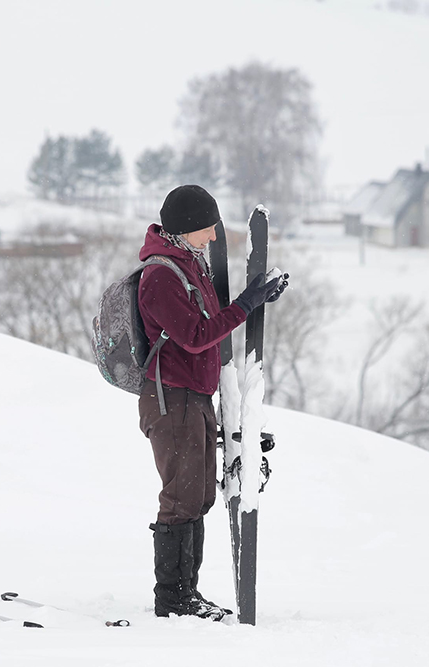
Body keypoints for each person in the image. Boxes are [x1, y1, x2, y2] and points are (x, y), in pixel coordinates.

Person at [137, 184, 288, 620]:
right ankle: (173, 598)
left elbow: (207, 324)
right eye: (208, 229)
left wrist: (253, 298)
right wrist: (247, 302)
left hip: (192, 397)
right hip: (172, 399)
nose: (214, 238)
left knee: (200, 495)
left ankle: (187, 593)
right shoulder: (161, 276)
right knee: (181, 498)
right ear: (186, 228)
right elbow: (196, 336)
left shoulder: (190, 264)